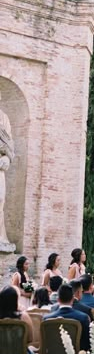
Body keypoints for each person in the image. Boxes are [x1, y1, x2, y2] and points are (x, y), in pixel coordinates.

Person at [43, 283, 90, 351]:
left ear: (58, 300)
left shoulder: (46, 319)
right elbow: (86, 343)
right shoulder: (83, 318)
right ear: (73, 299)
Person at [0, 92, 15, 245]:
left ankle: (1, 238)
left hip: (0, 164)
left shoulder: (3, 117)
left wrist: (7, 158)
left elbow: (9, 143)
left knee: (0, 199)